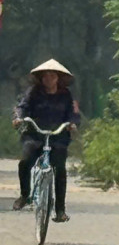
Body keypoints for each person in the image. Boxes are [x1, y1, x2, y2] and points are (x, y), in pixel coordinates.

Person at [11, 58, 81, 220]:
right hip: (35, 134)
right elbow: (23, 107)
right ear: (41, 79)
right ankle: (24, 195)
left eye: (52, 76)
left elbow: (73, 113)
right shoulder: (33, 92)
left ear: (58, 78)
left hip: (58, 136)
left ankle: (60, 210)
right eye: (45, 76)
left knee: (60, 169)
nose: (48, 79)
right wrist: (19, 118)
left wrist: (72, 124)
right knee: (25, 162)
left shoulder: (66, 95)